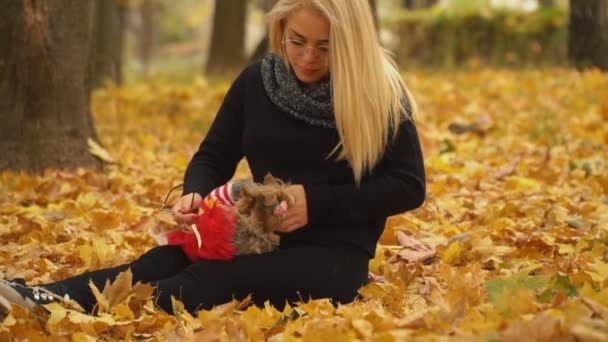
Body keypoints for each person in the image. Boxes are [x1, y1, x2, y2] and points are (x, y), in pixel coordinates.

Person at [0, 0, 425, 316]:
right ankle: (39, 299)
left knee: (201, 284)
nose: (308, 58)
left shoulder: (379, 93)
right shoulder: (257, 82)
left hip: (335, 257)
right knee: (156, 263)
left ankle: (78, 312)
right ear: (280, 27)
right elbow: (214, 155)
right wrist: (195, 195)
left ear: (351, 45)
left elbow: (409, 185)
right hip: (253, 236)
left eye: (325, 48)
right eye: (297, 41)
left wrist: (317, 202)